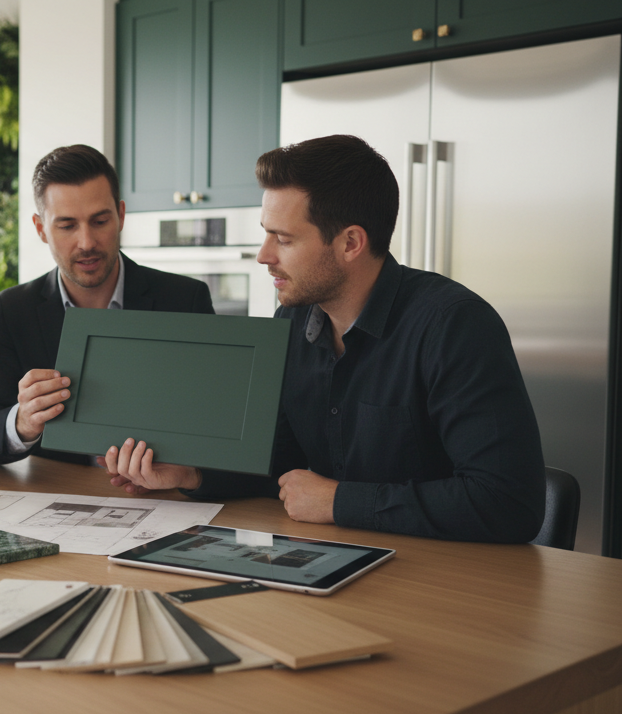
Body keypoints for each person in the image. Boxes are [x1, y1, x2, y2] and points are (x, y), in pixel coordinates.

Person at [105, 135, 545, 543]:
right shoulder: (292, 320)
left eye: (284, 238)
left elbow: (508, 503)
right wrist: (191, 475)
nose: (264, 255)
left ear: (350, 242)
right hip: (338, 562)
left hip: (447, 586)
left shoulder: (455, 326)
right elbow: (279, 463)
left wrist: (339, 501)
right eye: (265, 233)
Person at [0, 144, 215, 465]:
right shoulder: (15, 309)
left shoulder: (185, 300)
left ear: (121, 215)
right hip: (60, 497)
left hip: (164, 499)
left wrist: (186, 474)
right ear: (41, 228)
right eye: (67, 225)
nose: (86, 242)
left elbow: (217, 423)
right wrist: (23, 422)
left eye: (99, 221)